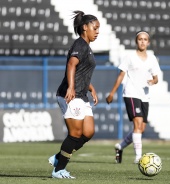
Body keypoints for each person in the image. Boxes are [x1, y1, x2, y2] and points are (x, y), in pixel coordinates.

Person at [48, 10, 99, 179]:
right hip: (70, 95)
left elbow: (81, 72)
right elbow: (71, 65)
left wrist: (91, 88)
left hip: (82, 95)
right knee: (75, 134)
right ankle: (58, 170)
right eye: (95, 28)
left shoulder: (86, 47)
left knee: (88, 132)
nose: (97, 31)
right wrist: (70, 87)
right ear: (85, 27)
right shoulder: (80, 45)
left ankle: (58, 158)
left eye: (98, 29)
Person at [106, 31, 161, 164]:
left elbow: (156, 78)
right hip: (131, 93)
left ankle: (120, 146)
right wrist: (112, 92)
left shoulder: (152, 58)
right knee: (137, 123)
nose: (142, 41)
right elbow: (121, 75)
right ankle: (138, 157)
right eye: (140, 39)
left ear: (148, 42)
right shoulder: (130, 57)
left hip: (144, 96)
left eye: (145, 39)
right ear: (136, 41)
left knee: (141, 128)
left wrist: (152, 82)